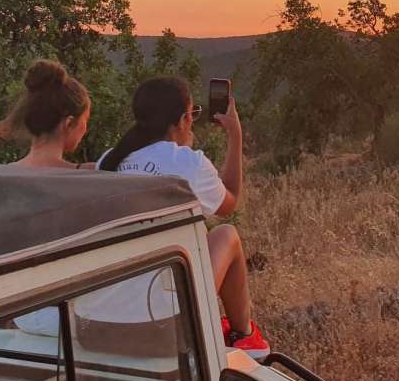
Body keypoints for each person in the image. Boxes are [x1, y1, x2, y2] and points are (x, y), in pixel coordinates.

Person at [93, 76, 269, 357]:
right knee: (226, 234)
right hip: (159, 327)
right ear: (182, 119)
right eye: (192, 114)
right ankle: (243, 334)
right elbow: (230, 202)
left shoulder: (109, 160)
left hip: (93, 325)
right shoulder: (189, 163)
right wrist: (235, 137)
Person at [0, 59, 93, 337]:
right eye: (84, 123)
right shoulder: (89, 179)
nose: (85, 131)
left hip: (17, 312)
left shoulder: (0, 178)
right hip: (68, 316)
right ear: (69, 123)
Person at [0, 59, 94, 170]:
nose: (85, 129)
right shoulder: (91, 177)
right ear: (69, 123)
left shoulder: (4, 173)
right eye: (86, 120)